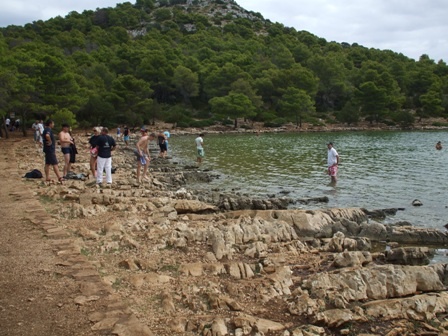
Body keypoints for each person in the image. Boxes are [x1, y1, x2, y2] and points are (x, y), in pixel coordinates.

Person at [42, 119, 64, 184]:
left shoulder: (45, 130)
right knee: (55, 163)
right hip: (50, 149)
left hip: (46, 149)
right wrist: (50, 141)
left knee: (47, 163)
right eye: (53, 123)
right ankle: (59, 177)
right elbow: (47, 135)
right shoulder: (48, 130)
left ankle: (47, 177)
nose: (53, 125)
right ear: (50, 124)